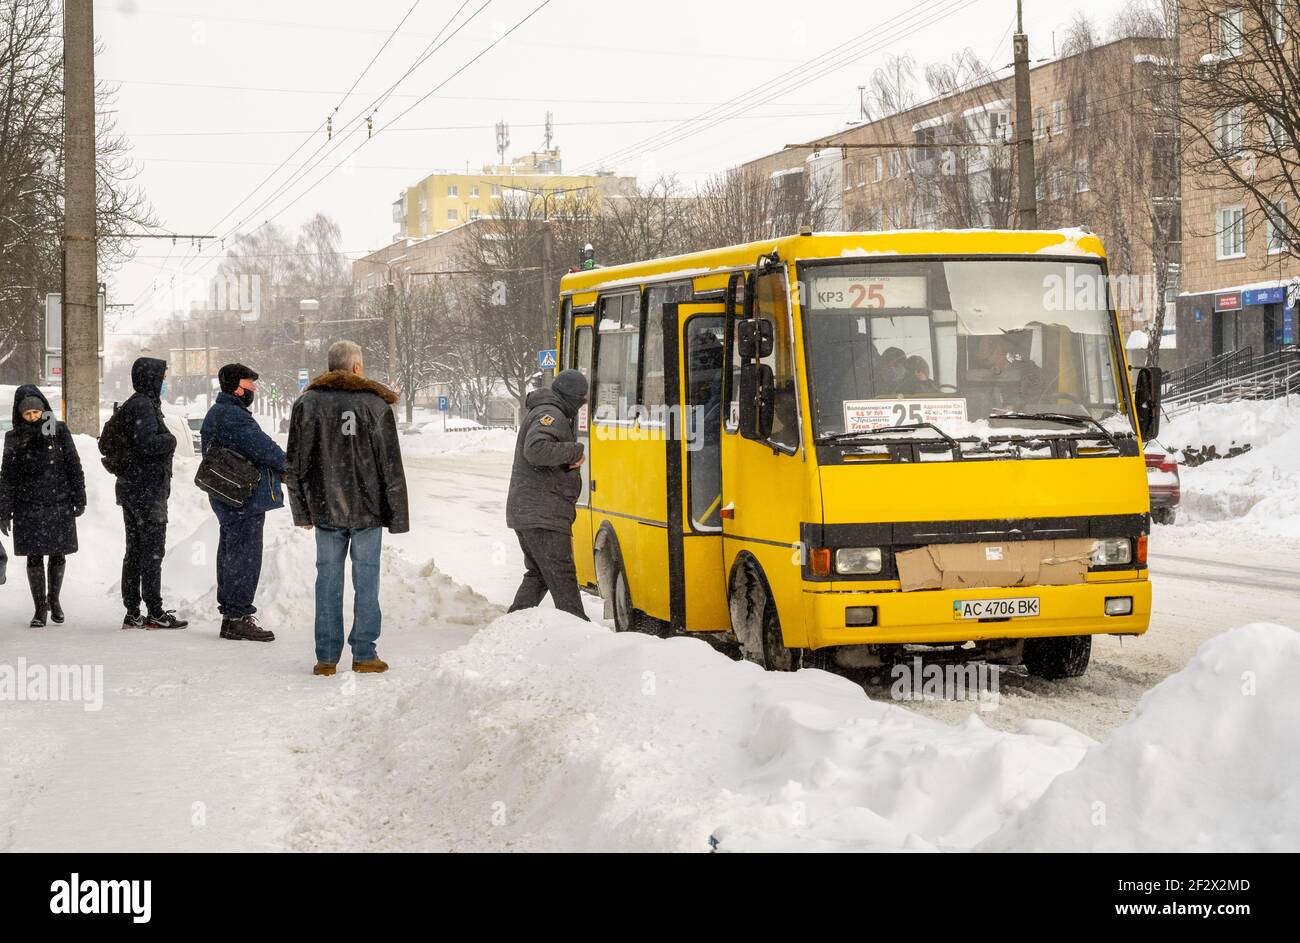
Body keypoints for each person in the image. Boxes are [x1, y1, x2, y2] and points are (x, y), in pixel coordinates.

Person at [286, 340, 408, 676]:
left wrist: (302, 511)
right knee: (367, 581)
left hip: (325, 510)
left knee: (327, 581)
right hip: (368, 511)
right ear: (355, 367)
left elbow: (294, 463)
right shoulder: (375, 405)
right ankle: (364, 654)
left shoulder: (307, 404)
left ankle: (326, 658)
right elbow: (390, 466)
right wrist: (396, 516)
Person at [201, 364, 286, 643]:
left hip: (226, 493)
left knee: (231, 553)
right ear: (238, 386)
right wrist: (291, 465)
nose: (254, 389)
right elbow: (263, 448)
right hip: (242, 496)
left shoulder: (218, 412)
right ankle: (237, 617)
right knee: (244, 556)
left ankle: (231, 616)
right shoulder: (234, 417)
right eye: (250, 384)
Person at [505, 369, 589, 621]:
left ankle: (510, 625)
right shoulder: (550, 414)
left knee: (540, 574)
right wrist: (574, 451)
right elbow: (536, 449)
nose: (581, 405)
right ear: (572, 397)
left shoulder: (547, 410)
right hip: (542, 513)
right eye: (581, 399)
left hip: (532, 511)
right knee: (561, 573)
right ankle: (579, 630)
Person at [0, 386, 85, 627]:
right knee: (34, 557)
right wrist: (4, 511)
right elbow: (7, 476)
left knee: (57, 554)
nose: (33, 417)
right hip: (27, 505)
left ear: (44, 410)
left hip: (58, 501)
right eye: (27, 414)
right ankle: (40, 609)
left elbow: (73, 465)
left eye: (37, 412)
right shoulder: (14, 438)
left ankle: (54, 600)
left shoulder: (58, 430)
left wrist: (79, 497)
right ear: (20, 414)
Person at [117, 357, 187, 630]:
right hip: (147, 491)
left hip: (133, 489)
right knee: (151, 553)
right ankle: (154, 612)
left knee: (134, 551)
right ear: (151, 379)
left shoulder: (136, 403)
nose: (164, 382)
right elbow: (147, 443)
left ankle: (133, 612)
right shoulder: (144, 406)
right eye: (162, 377)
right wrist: (171, 440)